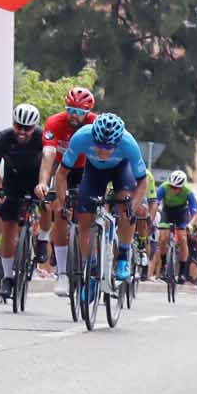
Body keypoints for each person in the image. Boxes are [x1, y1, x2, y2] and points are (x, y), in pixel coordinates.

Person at [53, 111, 148, 287]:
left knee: (126, 204)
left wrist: (133, 207)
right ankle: (91, 269)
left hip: (120, 170)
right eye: (98, 146)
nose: (103, 151)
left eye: (108, 148)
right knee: (84, 221)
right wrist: (63, 201)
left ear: (118, 142)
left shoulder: (129, 144)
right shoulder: (81, 137)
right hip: (93, 172)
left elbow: (142, 182)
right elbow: (62, 173)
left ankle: (123, 256)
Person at [38, 86, 96, 297]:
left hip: (88, 169)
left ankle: (90, 263)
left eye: (79, 112)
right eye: (70, 110)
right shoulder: (54, 122)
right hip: (62, 169)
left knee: (87, 216)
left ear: (88, 113)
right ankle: (62, 273)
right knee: (59, 211)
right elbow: (48, 153)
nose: (74, 115)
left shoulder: (95, 123)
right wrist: (43, 182)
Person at [0, 103, 45, 302]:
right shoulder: (3, 137)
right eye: (19, 126)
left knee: (50, 204)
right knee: (9, 223)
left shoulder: (42, 138)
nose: (23, 132)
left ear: (34, 127)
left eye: (27, 128)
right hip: (13, 179)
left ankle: (43, 239)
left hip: (37, 179)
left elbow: (51, 164)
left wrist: (45, 185)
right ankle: (8, 277)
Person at [153, 170, 197, 281]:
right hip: (167, 212)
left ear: (182, 187)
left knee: (183, 239)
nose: (173, 189)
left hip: (181, 213)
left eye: (176, 188)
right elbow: (155, 203)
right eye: (172, 186)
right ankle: (163, 266)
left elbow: (194, 212)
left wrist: (191, 225)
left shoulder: (188, 192)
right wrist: (152, 217)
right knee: (163, 238)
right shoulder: (163, 188)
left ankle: (182, 272)